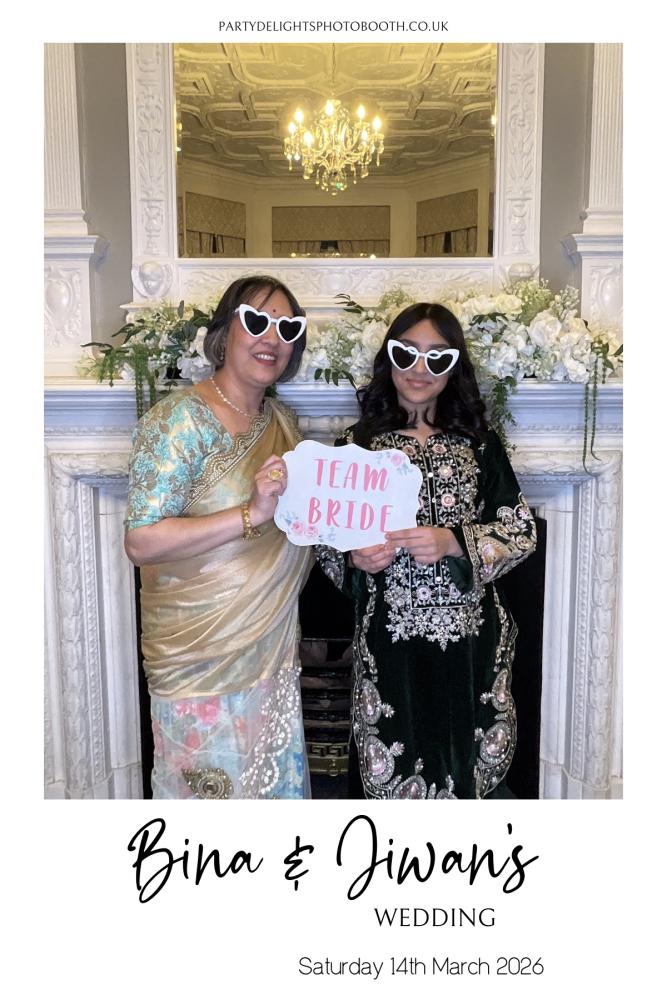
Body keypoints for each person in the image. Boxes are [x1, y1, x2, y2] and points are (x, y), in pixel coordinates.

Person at [316, 303, 536, 799]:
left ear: (454, 367)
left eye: (437, 358)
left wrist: (454, 540)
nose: (419, 369)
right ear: (388, 358)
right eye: (407, 354)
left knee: (465, 766)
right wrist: (354, 558)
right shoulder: (356, 446)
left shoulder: (480, 445)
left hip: (470, 642)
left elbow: (521, 531)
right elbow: (326, 543)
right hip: (391, 643)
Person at [124, 275, 313, 799]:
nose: (272, 339)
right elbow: (141, 541)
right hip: (196, 660)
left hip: (270, 652)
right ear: (225, 332)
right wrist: (249, 514)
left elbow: (301, 525)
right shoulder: (178, 420)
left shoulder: (283, 423)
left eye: (287, 329)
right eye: (256, 322)